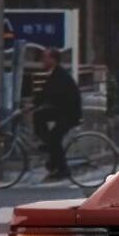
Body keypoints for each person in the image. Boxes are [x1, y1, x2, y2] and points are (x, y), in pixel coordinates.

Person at [32, 47, 82, 181]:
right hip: (62, 111)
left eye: (45, 58)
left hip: (69, 114)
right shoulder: (55, 73)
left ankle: (62, 169)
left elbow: (50, 94)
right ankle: (50, 152)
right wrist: (34, 104)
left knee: (54, 138)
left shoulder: (60, 75)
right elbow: (44, 93)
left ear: (53, 60)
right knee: (39, 117)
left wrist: (38, 105)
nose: (43, 60)